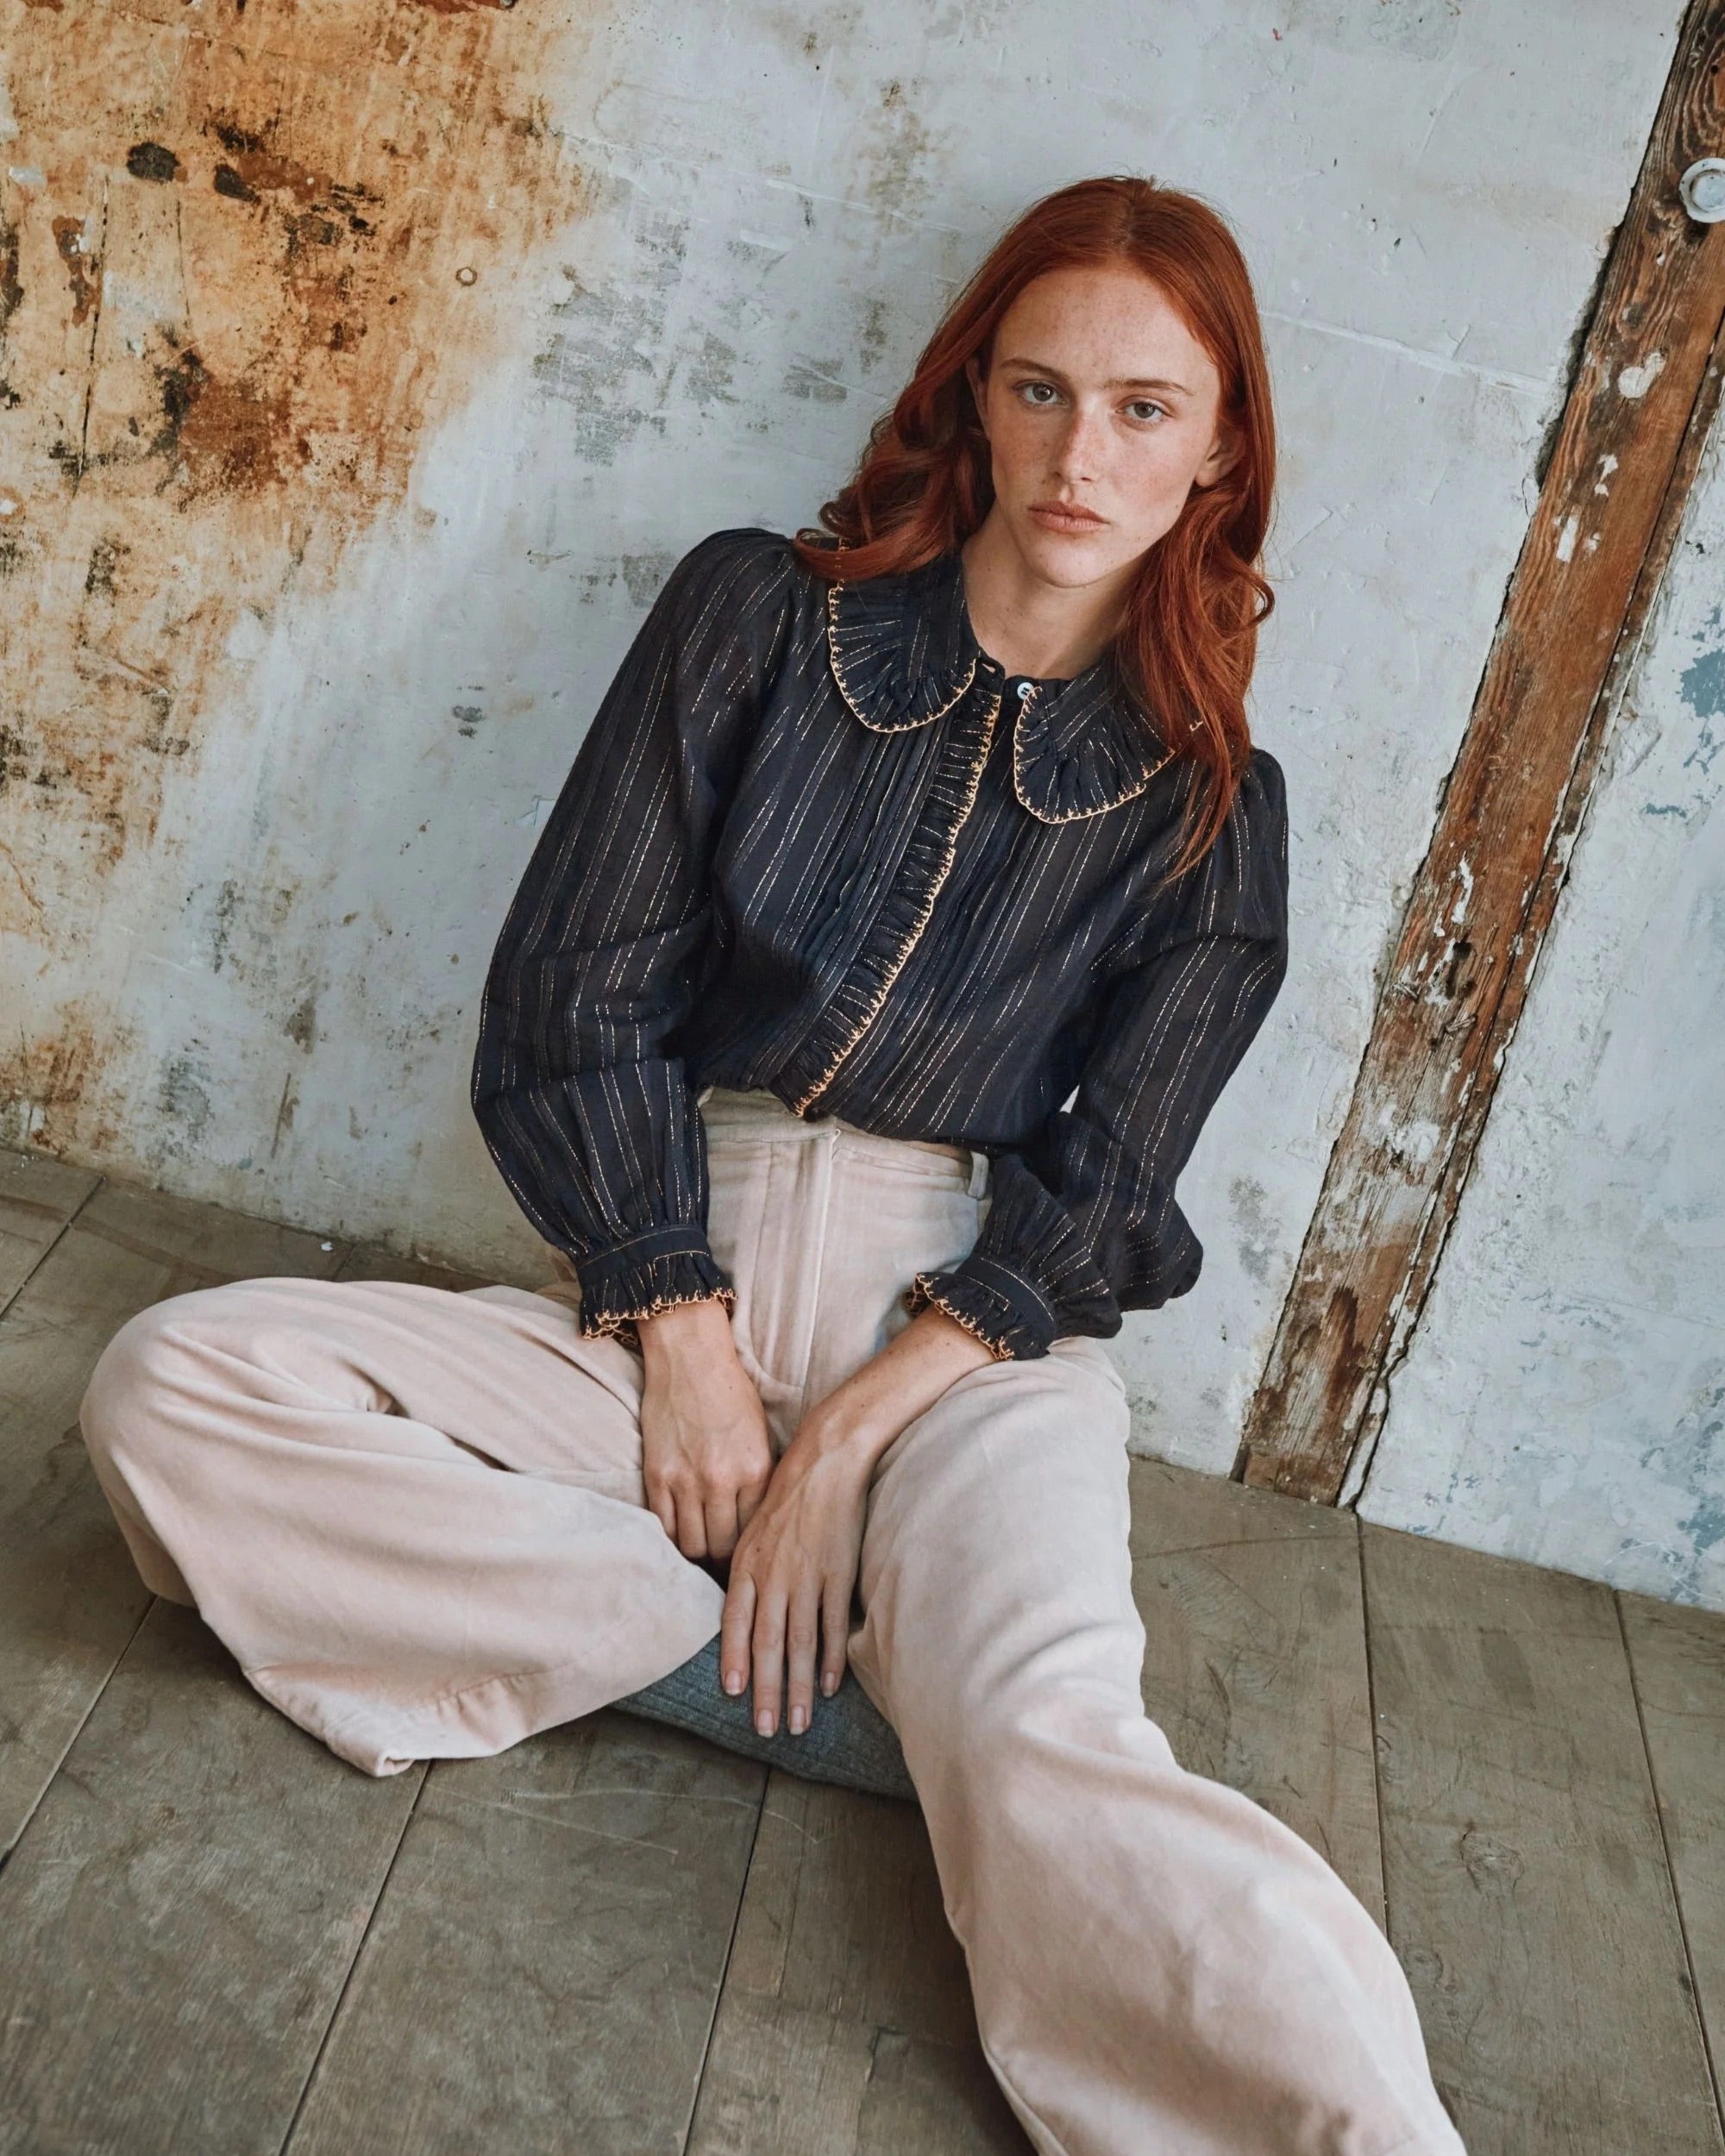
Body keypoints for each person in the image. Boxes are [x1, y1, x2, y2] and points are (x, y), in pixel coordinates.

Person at [80, 177, 1465, 2155]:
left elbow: (1108, 1194)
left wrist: (836, 1444)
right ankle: (763, 1651)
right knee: (175, 1385)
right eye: (1044, 389)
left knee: (1069, 1745)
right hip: (669, 1261)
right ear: (972, 399)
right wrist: (685, 1333)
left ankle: (995, 1756)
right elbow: (574, 998)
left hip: (964, 1349)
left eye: (1148, 408)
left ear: (1223, 443)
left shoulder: (1215, 811)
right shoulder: (759, 615)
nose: (1086, 454)